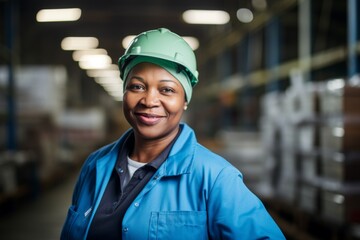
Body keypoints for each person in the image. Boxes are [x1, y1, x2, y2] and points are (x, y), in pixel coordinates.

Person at [60, 28, 285, 240]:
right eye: (137, 86)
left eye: (167, 90)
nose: (149, 101)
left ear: (184, 100)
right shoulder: (95, 166)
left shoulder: (215, 178)